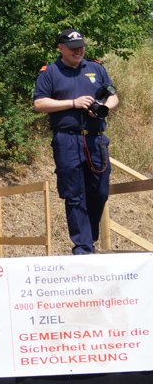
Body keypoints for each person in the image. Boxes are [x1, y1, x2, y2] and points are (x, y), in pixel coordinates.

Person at [33, 28, 118, 255]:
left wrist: (104, 107)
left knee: (100, 192)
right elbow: (39, 104)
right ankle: (83, 247)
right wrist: (73, 103)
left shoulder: (96, 68)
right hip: (67, 140)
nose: (78, 51)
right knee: (74, 194)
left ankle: (89, 238)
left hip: (96, 139)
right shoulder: (50, 72)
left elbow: (113, 95)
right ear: (61, 48)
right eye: (73, 48)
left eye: (81, 47)